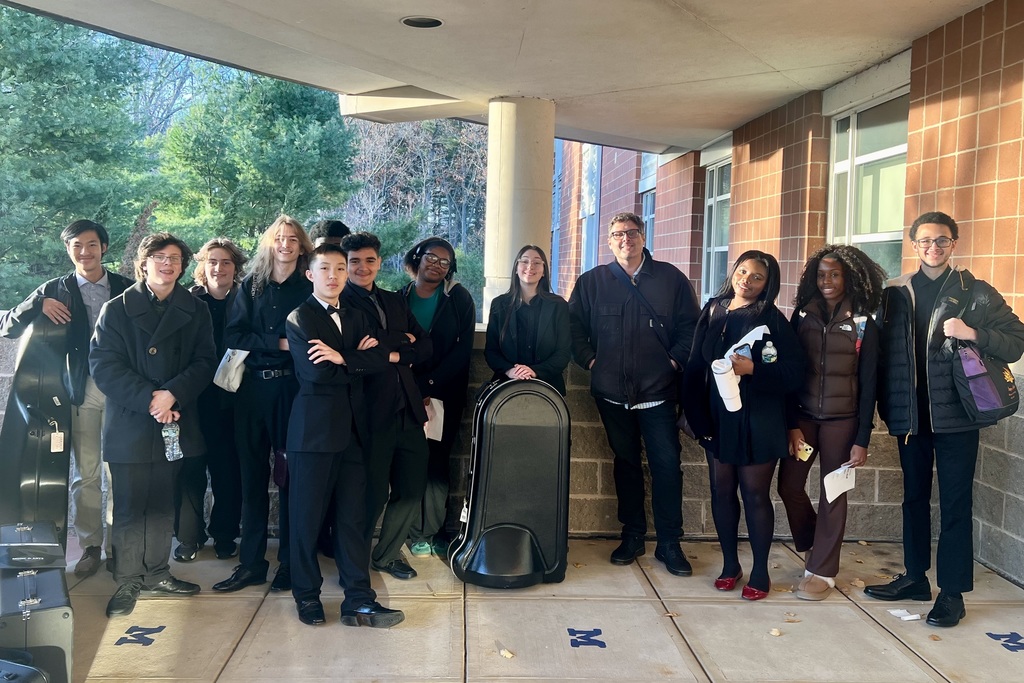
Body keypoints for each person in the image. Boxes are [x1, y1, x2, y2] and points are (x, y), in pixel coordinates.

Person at [865, 211, 1024, 627]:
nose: (933, 248)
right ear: (913, 245)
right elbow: (878, 356)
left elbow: (1017, 340)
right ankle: (916, 578)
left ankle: (952, 593)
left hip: (957, 419)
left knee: (955, 504)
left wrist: (973, 333)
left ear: (954, 244)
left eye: (941, 241)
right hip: (909, 417)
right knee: (913, 499)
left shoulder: (977, 293)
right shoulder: (894, 293)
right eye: (925, 241)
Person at [90, 232, 217, 617]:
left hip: (175, 418)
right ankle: (128, 580)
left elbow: (205, 361)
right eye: (159, 257)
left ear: (182, 266)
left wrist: (172, 394)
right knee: (128, 506)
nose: (167, 264)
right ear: (143, 263)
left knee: (163, 503)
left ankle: (158, 572)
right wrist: (151, 399)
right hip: (131, 419)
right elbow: (103, 365)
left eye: (175, 258)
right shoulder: (116, 308)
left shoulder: (196, 310)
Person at [568, 212, 700, 576]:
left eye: (631, 232)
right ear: (609, 242)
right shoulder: (592, 282)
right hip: (611, 393)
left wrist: (673, 362)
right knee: (625, 464)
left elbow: (692, 328)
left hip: (658, 393)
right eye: (617, 234)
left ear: (643, 237)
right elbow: (573, 327)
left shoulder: (671, 279)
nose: (625, 239)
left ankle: (670, 542)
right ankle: (633, 534)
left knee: (667, 466)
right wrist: (591, 361)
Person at [0, 219, 133, 577]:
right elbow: (8, 326)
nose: (85, 252)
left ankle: (121, 547)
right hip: (81, 391)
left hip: (123, 391)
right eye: (76, 245)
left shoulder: (126, 288)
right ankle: (91, 546)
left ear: (104, 247)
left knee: (120, 471)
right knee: (86, 473)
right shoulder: (53, 289)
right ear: (68, 250)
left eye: (91, 245)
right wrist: (37, 305)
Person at [284, 242, 404, 628]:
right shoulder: (299, 318)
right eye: (325, 269)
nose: (334, 276)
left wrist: (342, 357)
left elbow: (381, 360)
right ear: (311, 274)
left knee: (353, 519)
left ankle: (359, 600)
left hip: (353, 432)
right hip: (314, 434)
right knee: (306, 519)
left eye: (339, 269)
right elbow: (315, 374)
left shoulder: (354, 316)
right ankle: (306, 596)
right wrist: (355, 359)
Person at [681, 251, 804, 599]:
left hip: (760, 419)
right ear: (733, 271)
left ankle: (761, 570)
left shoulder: (774, 320)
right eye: (743, 271)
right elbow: (693, 367)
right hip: (718, 418)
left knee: (754, 494)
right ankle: (730, 564)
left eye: (757, 277)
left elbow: (794, 373)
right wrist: (696, 417)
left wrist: (754, 371)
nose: (746, 281)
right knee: (721, 491)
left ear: (769, 284)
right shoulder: (713, 309)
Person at [778, 245, 885, 601]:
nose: (827, 280)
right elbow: (791, 372)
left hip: (843, 422)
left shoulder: (864, 320)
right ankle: (815, 545)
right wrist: (791, 422)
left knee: (833, 494)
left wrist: (863, 437)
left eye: (835, 274)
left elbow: (870, 380)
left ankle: (822, 571)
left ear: (848, 277)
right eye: (822, 274)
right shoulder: (802, 315)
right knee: (789, 486)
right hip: (805, 420)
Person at [213, 216, 314, 594]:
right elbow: (233, 335)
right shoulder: (251, 286)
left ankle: (289, 563)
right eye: (278, 239)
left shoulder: (310, 285)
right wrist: (278, 343)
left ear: (302, 246)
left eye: (292, 239)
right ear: (268, 244)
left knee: (290, 481)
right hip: (252, 392)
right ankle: (251, 563)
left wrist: (276, 342)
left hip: (292, 394)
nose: (285, 244)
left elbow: (313, 337)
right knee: (251, 479)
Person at [340, 232, 432, 580]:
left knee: (411, 488)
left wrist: (384, 349)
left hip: (407, 408)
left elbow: (425, 346)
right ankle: (355, 563)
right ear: (346, 265)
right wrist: (397, 348)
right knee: (371, 493)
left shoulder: (395, 300)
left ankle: (388, 554)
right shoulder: (341, 303)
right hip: (368, 412)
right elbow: (353, 353)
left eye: (369, 260)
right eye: (355, 261)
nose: (362, 267)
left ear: (379, 262)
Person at [173, 238, 248, 562]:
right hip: (192, 400)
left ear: (236, 267)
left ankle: (224, 534)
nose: (219, 268)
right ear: (202, 266)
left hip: (232, 401)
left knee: (227, 471)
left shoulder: (247, 300)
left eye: (226, 262)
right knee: (189, 471)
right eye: (212, 262)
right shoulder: (187, 301)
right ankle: (188, 538)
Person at [401, 237, 476, 559]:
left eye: (445, 262)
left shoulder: (458, 298)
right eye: (432, 257)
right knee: (406, 462)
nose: (437, 264)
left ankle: (431, 532)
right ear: (418, 257)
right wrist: (413, 386)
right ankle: (408, 530)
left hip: (443, 394)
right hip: (404, 392)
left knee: (435, 463)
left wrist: (429, 384)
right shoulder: (399, 297)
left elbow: (462, 350)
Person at [485, 245, 571, 395]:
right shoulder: (499, 304)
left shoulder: (558, 305)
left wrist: (534, 371)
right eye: (524, 261)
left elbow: (563, 352)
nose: (530, 266)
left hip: (548, 387)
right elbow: (491, 350)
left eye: (537, 262)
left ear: (544, 270)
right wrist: (511, 371)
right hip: (506, 386)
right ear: (516, 268)